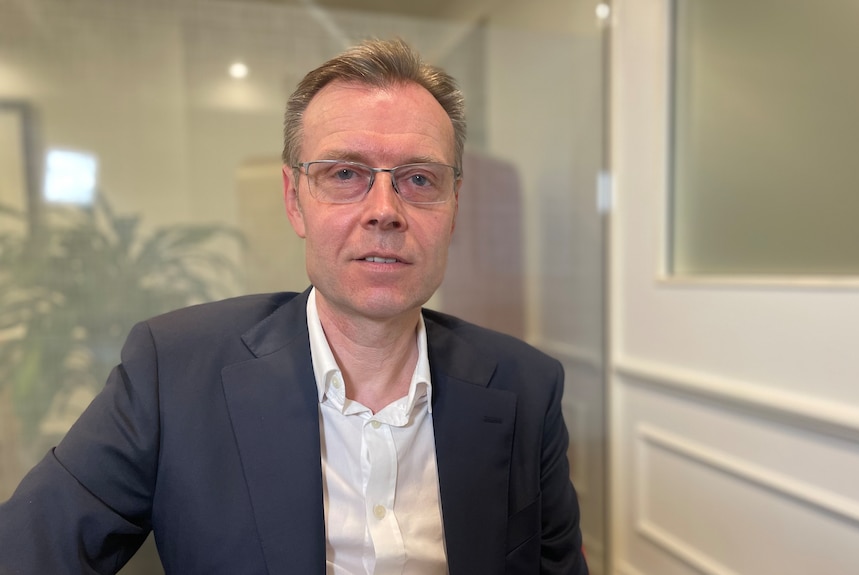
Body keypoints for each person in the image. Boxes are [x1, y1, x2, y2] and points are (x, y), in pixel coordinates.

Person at [0, 38, 588, 574]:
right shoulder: (172, 373)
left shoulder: (528, 388)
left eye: (418, 180)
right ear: (294, 200)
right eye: (344, 173)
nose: (384, 209)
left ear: (454, 206)